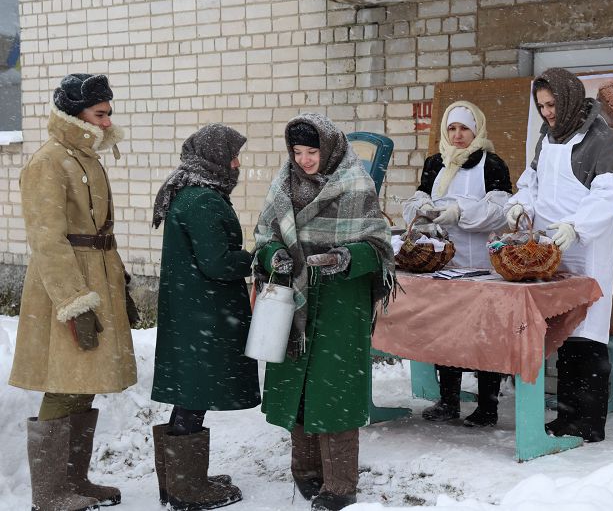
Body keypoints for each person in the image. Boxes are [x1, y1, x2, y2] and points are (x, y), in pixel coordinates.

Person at [253, 113, 394, 511]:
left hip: (339, 304)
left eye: (312, 151)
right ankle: (305, 470)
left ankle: (341, 486)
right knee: (298, 391)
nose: (304, 160)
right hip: (292, 304)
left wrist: (346, 257)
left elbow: (379, 247)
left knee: (336, 393)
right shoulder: (283, 184)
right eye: (297, 151)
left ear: (329, 149)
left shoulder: (356, 184)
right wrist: (274, 255)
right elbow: (264, 236)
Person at [9, 73, 135, 511]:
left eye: (108, 114)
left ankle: (74, 481)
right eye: (99, 114)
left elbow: (100, 231)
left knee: (86, 383)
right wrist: (73, 302)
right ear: (75, 115)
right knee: (65, 385)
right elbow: (47, 240)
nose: (107, 122)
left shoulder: (85, 156)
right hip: (65, 287)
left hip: (98, 279)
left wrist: (120, 285)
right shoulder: (48, 162)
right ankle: (49, 494)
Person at [505, 67, 613, 442]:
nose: (547, 113)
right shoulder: (547, 137)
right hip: (548, 251)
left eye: (552, 105)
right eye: (541, 106)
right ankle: (567, 417)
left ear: (569, 99)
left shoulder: (602, 139)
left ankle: (590, 423)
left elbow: (609, 196)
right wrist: (521, 204)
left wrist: (576, 226)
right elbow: (532, 183)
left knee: (587, 337)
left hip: (586, 248)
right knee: (563, 334)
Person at [150, 123, 260, 510]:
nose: (237, 164)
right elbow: (217, 262)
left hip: (193, 310)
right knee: (194, 395)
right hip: (204, 313)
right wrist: (255, 260)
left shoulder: (190, 191)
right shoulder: (202, 200)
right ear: (215, 158)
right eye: (233, 156)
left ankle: (179, 482)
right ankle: (187, 490)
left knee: (189, 394)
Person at [402, 101, 512, 427]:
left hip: (481, 264)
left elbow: (501, 211)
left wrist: (460, 213)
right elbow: (419, 198)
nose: (458, 135)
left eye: (464, 128)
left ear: (477, 130)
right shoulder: (436, 163)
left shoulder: (491, 164)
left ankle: (488, 406)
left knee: (485, 333)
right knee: (447, 331)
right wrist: (423, 210)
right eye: (452, 128)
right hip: (444, 262)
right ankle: (448, 400)